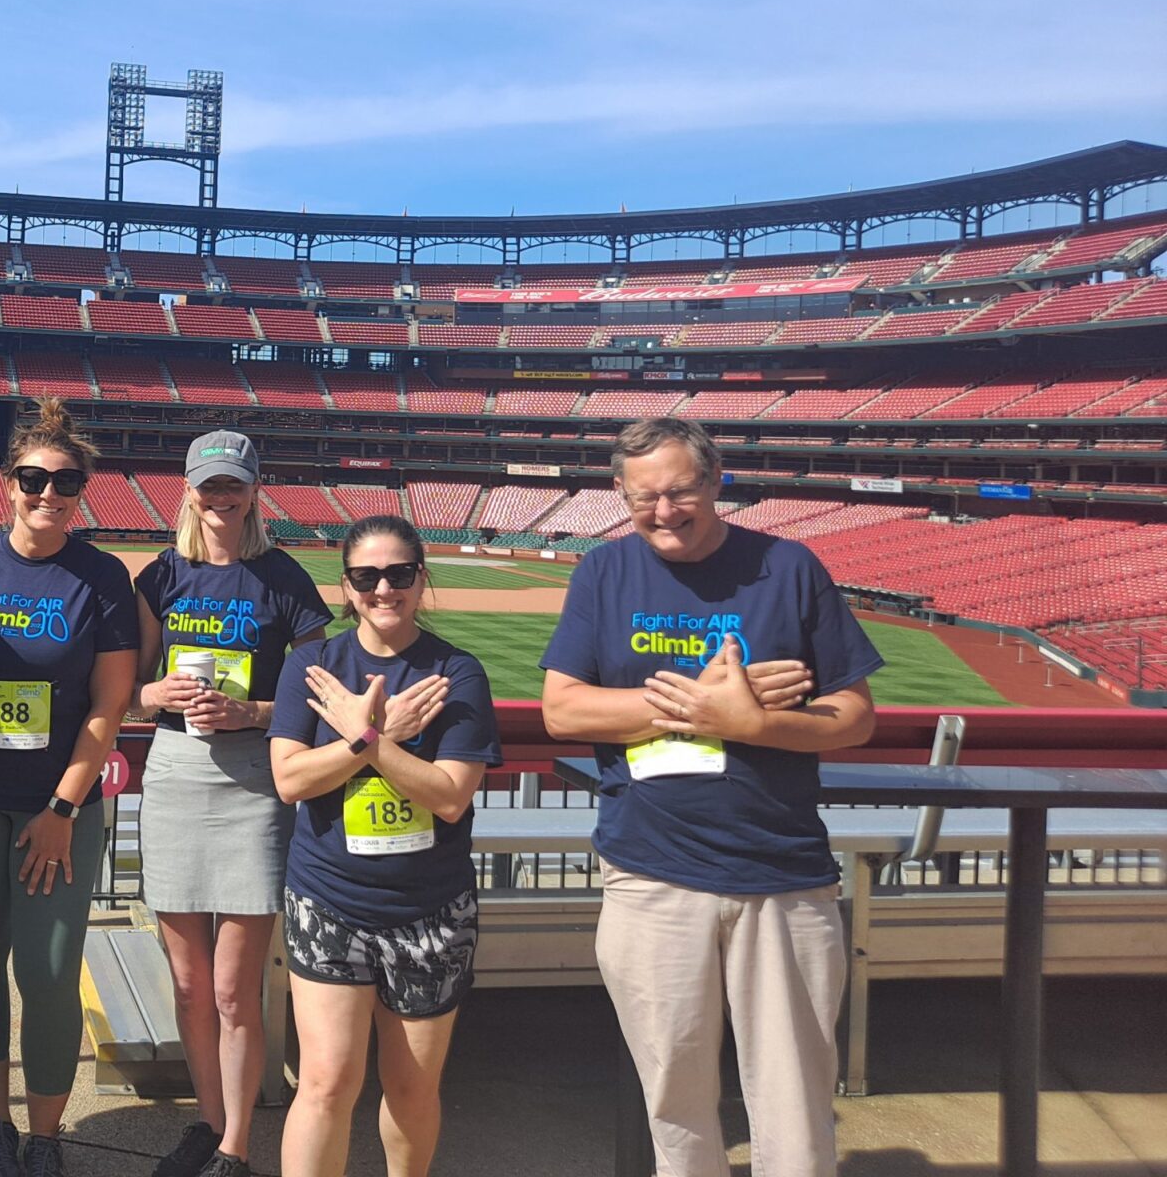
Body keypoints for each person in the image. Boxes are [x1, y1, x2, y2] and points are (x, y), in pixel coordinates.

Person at [540, 416, 880, 1177]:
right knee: (676, 1106)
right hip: (650, 873)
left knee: (797, 1112)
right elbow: (562, 710)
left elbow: (854, 717)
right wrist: (700, 705)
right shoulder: (604, 571)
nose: (663, 512)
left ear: (715, 482)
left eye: (680, 492)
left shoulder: (788, 567)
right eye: (643, 498)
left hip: (782, 876)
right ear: (619, 497)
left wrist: (752, 722)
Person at [0, 399, 139, 1177]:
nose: (49, 494)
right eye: (33, 479)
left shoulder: (101, 578)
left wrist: (62, 808)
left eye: (65, 482)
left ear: (84, 489)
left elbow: (109, 708)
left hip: (61, 808)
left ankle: (46, 1134)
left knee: (47, 972)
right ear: (6, 483)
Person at [269, 515, 500, 1177]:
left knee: (411, 1089)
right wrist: (363, 740)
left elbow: (450, 795)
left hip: (431, 910)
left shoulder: (457, 672)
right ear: (346, 587)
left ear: (421, 580)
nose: (384, 590)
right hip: (329, 901)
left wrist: (371, 740)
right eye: (367, 577)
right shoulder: (312, 668)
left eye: (399, 574)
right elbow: (290, 779)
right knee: (325, 1084)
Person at [131, 432, 331, 1177]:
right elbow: (130, 688)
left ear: (254, 492)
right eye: (209, 486)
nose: (221, 499)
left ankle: (238, 1146)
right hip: (177, 774)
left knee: (231, 988)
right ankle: (208, 1126)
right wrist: (156, 694)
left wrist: (251, 713)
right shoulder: (163, 574)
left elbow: (315, 698)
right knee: (187, 983)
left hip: (254, 780)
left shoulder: (282, 579)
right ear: (189, 490)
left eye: (233, 486)